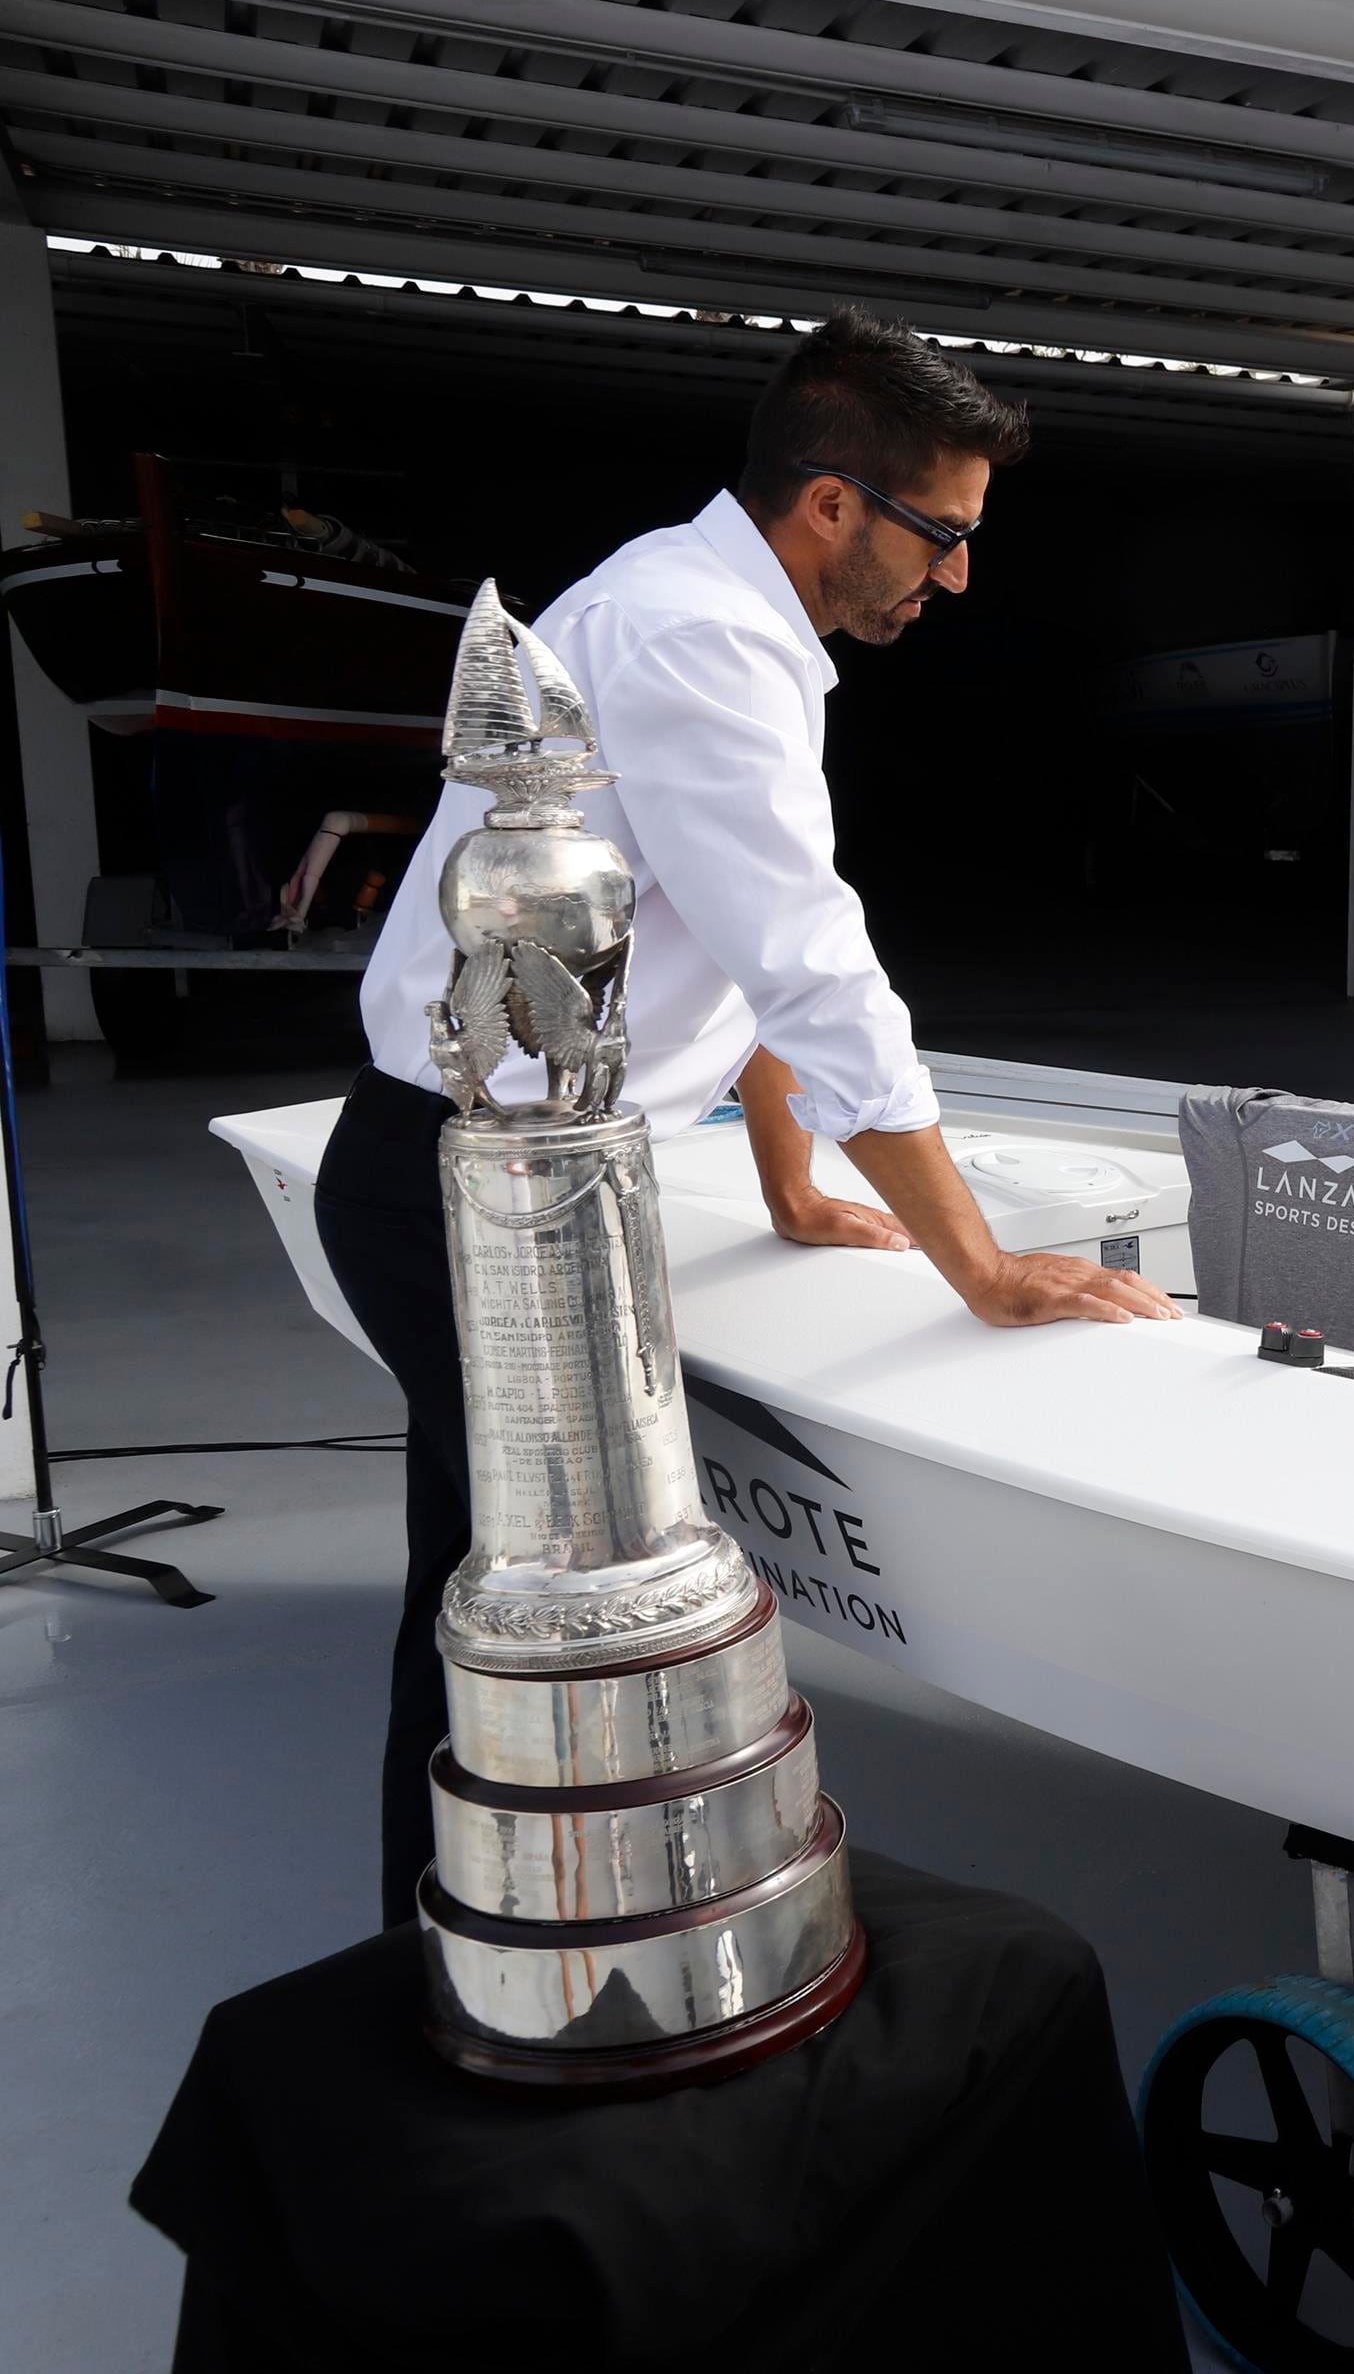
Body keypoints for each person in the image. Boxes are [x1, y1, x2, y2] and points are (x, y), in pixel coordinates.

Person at [322, 308, 1177, 1930]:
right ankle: (496, 1972)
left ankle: (494, 1943)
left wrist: (792, 1183)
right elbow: (811, 965)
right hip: (476, 1205)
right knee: (535, 1626)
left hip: (523, 1177)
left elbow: (708, 934)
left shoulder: (710, 612)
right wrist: (982, 1270)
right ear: (835, 504)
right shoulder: (696, 641)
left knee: (504, 1605)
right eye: (945, 535)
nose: (960, 577)